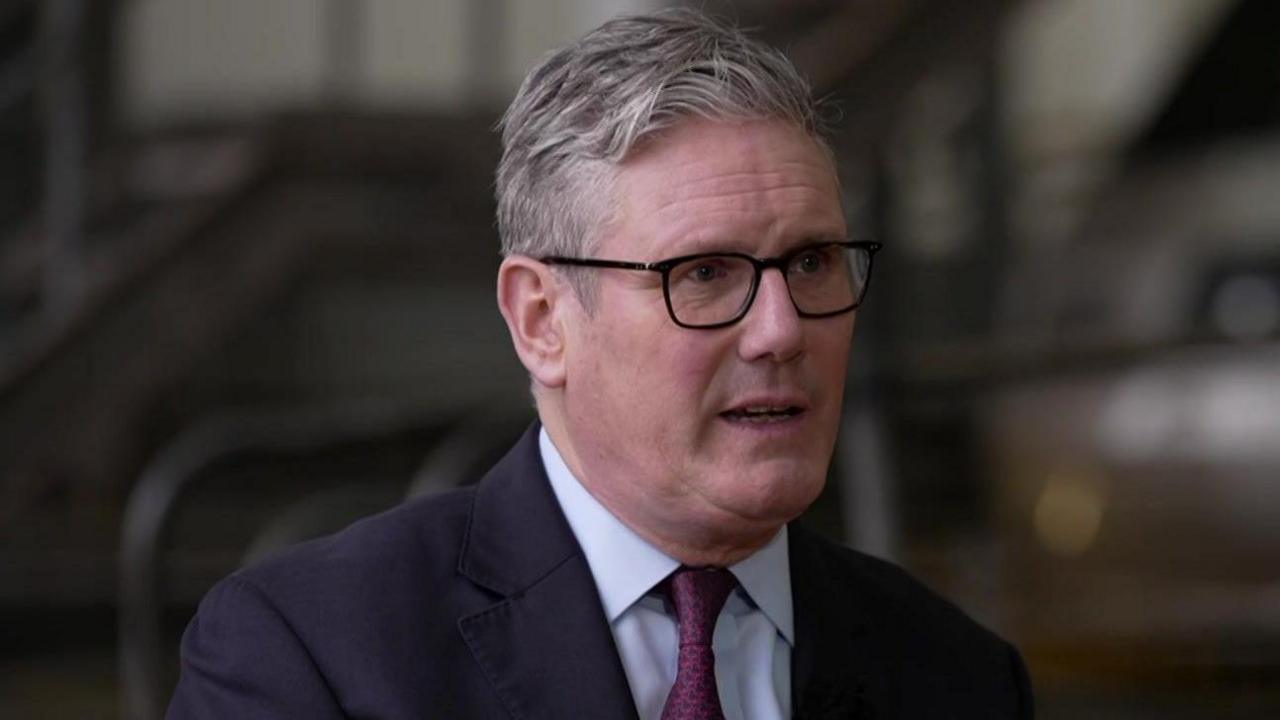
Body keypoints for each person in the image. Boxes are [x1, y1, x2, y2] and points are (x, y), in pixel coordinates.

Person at [167, 10, 1032, 720]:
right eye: (703, 274)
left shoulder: (960, 680)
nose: (780, 330)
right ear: (542, 321)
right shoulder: (308, 658)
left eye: (811, 264)